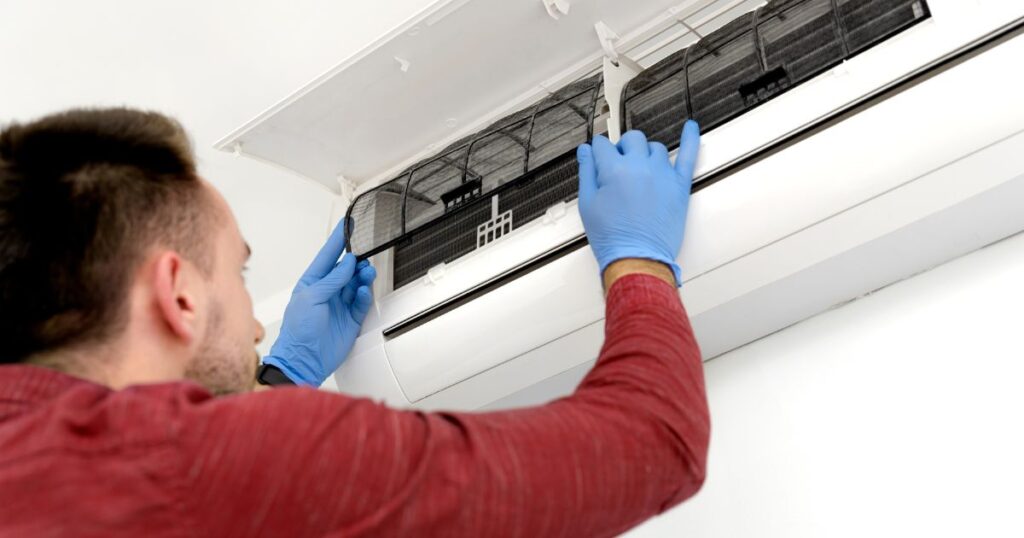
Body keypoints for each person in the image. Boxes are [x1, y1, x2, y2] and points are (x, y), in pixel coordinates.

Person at [0, 108, 709, 536]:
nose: (256, 328)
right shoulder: (191, 465)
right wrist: (638, 260)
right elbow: (650, 445)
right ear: (178, 295)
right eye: (239, 275)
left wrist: (283, 377)